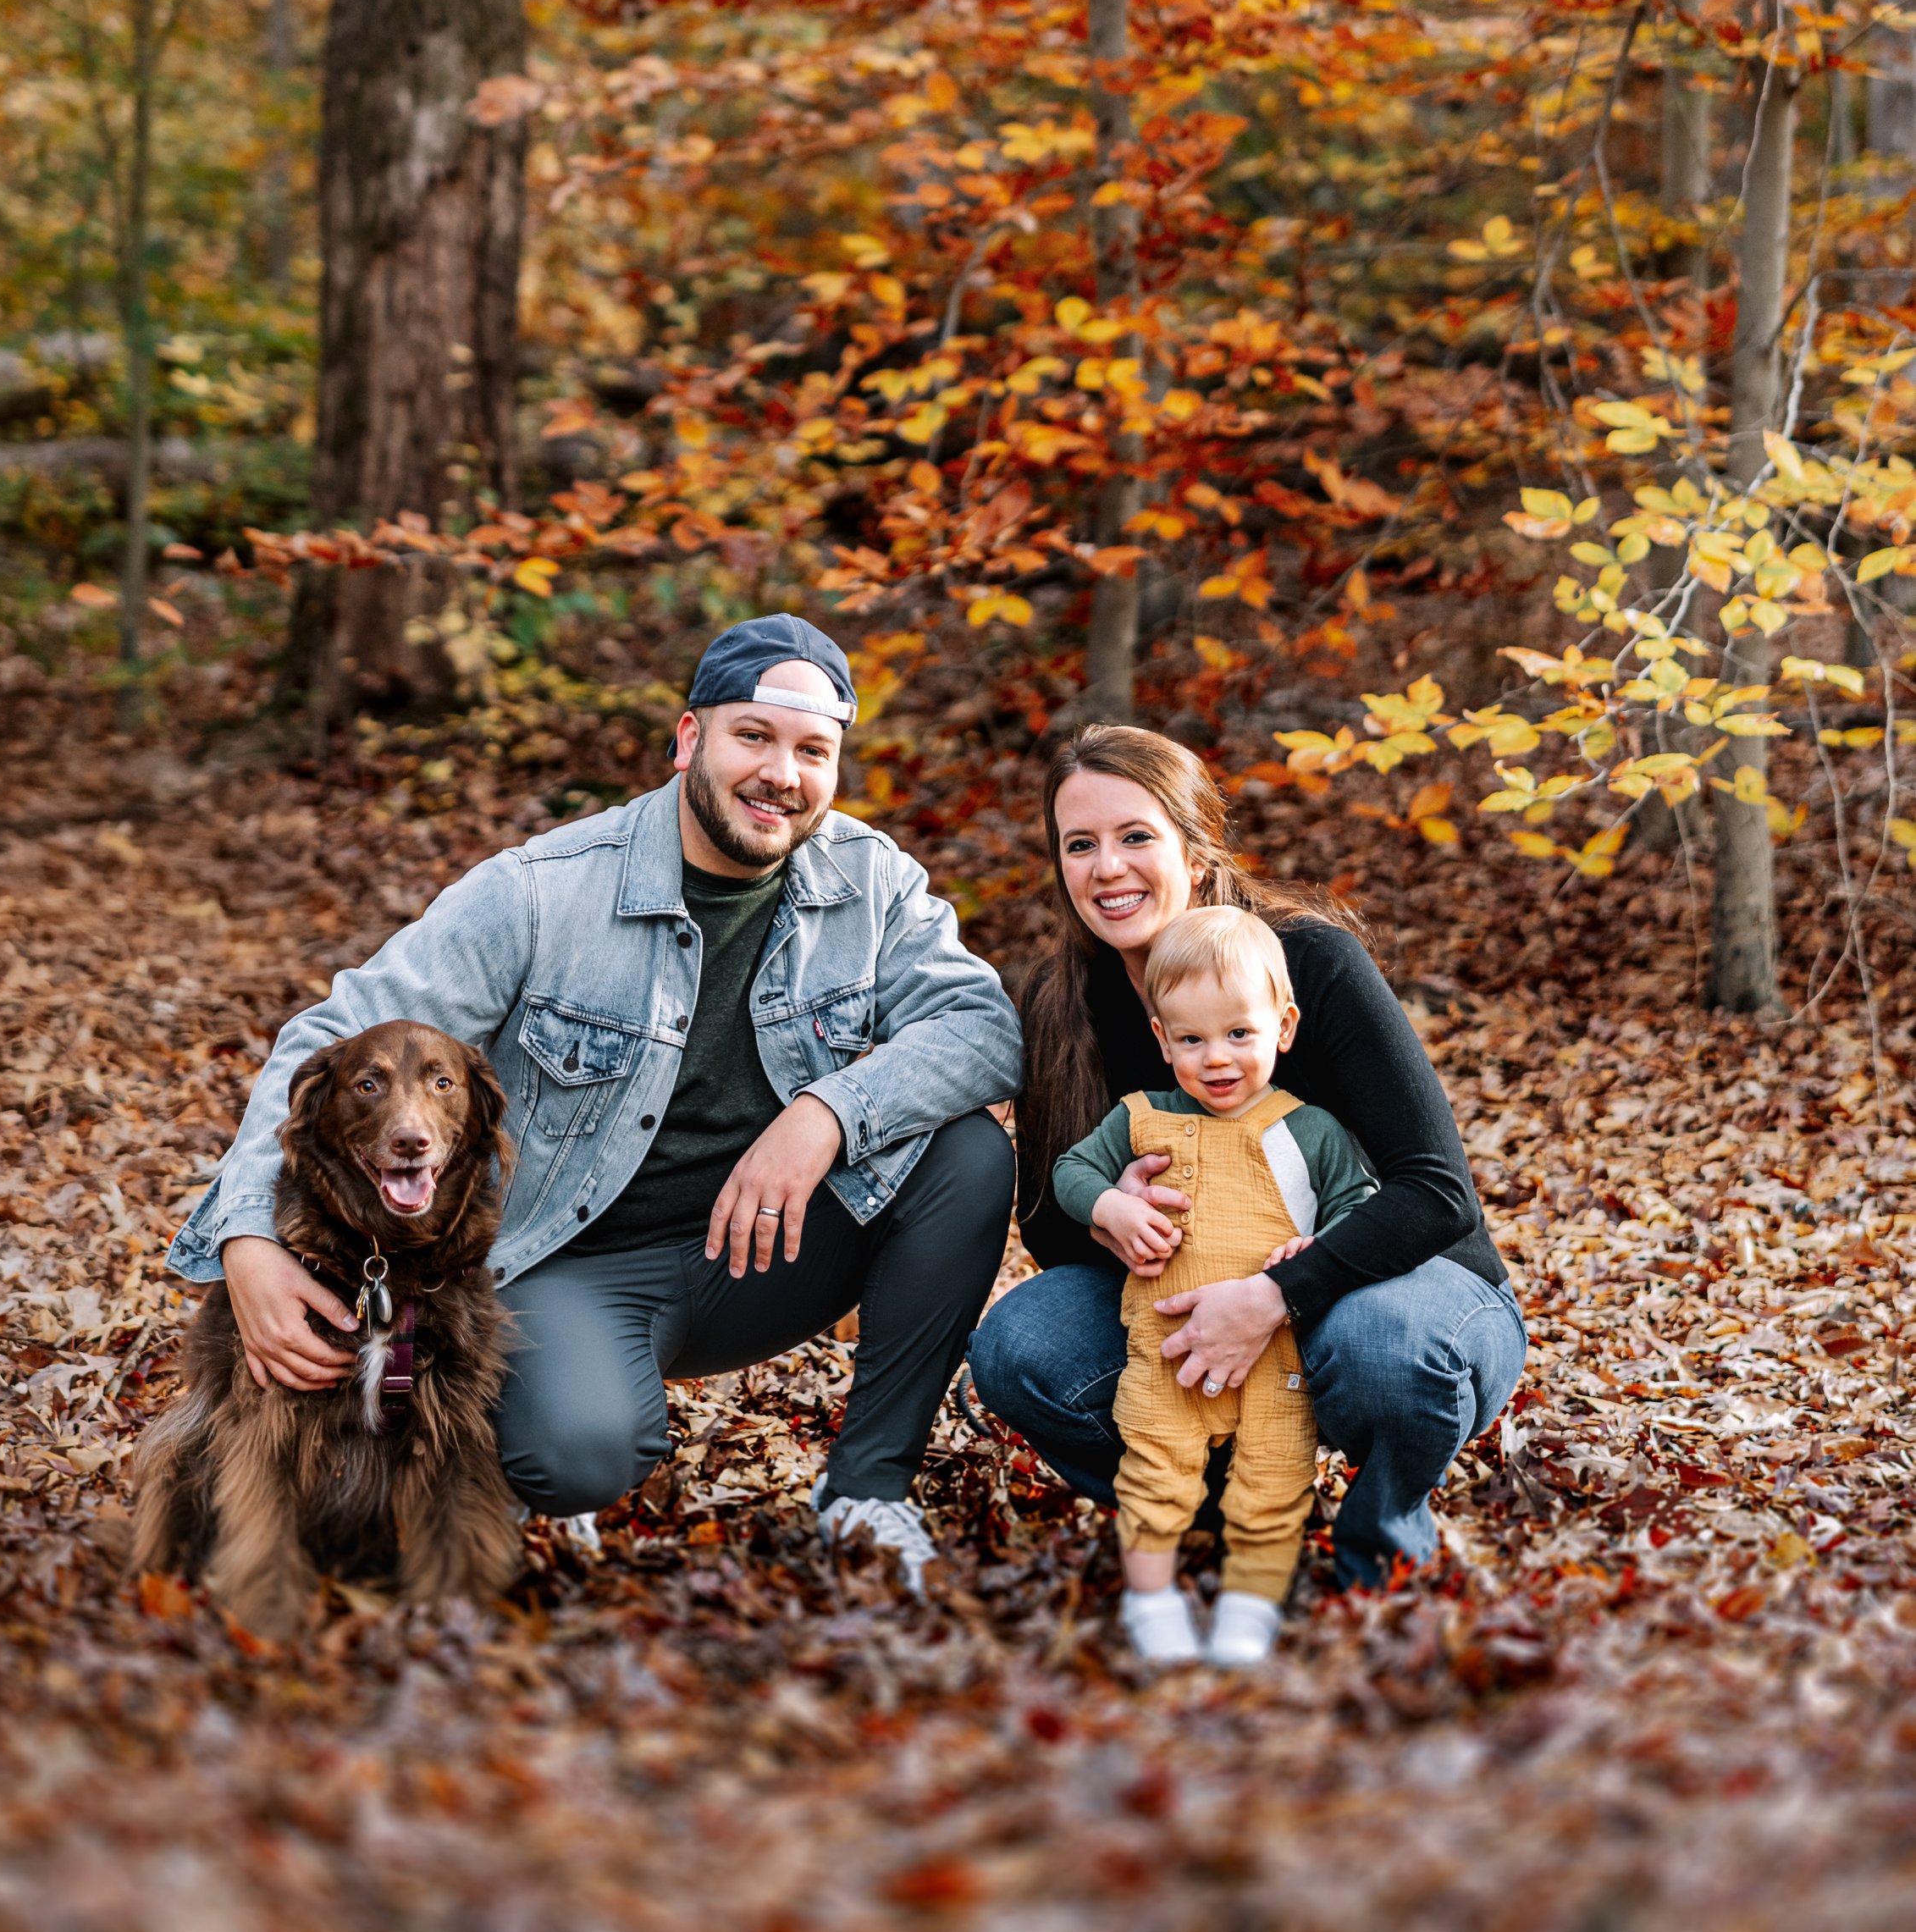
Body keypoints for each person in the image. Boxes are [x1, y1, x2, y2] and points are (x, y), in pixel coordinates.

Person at [167, 613, 1021, 1593]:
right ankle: (520, 1446)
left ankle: (867, 1489)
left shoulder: (870, 880)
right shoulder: (542, 892)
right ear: (690, 738)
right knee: (579, 1454)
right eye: (754, 737)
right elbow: (330, 1037)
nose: (781, 774)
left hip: (769, 1250)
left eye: (812, 751)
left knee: (963, 1154)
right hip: (567, 1266)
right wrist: (247, 1241)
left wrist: (824, 1114)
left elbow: (984, 1028)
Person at [969, 724, 1525, 1594]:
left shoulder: (1308, 964)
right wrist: (1115, 1213)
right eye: (1080, 845)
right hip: (1193, 1295)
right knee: (1018, 1344)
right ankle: (1231, 1515)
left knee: (1383, 1350)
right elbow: (1050, 1224)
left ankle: (1379, 1546)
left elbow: (1436, 1196)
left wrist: (1271, 1298)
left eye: (1135, 837)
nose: (1106, 867)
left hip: (1397, 1293)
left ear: (1194, 852)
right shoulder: (1061, 1003)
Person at [1050, 903, 1376, 1667]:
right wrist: (1112, 1206)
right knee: (1153, 1474)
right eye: (1191, 1039)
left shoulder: (1310, 1130)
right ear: (1161, 1041)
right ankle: (1152, 1599)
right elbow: (1071, 1173)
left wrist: (1315, 1249)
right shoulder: (1139, 1120)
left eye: (1239, 1034)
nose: (1217, 1058)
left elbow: (1361, 1210)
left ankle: (1248, 1610)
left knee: (1273, 1483)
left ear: (1284, 1028)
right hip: (1165, 1350)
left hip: (1275, 1358)